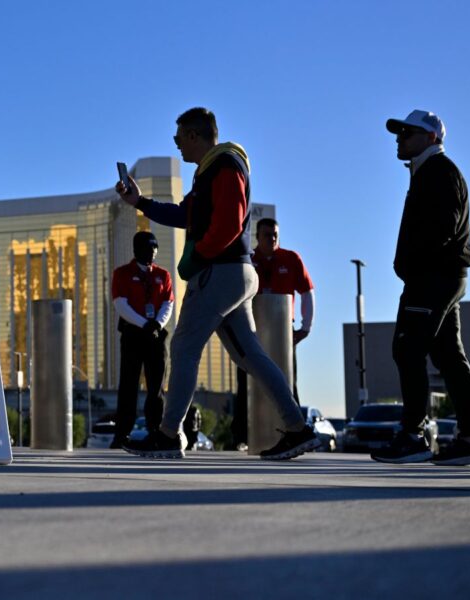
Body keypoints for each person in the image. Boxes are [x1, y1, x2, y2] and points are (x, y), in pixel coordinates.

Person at [115, 107, 318, 460]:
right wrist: (139, 202)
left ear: (195, 136)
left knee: (183, 347)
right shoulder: (209, 173)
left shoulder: (224, 165)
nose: (177, 144)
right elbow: (183, 214)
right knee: (250, 356)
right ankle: (298, 428)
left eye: (179, 137)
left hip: (221, 274)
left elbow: (231, 220)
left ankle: (168, 434)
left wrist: (200, 259)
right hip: (234, 274)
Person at [372, 110, 470, 466]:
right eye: (398, 133)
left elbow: (443, 226)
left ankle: (414, 435)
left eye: (407, 133)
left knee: (407, 347)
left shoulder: (440, 172)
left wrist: (415, 265)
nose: (399, 138)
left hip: (433, 278)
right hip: (440, 276)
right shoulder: (427, 172)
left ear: (431, 137)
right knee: (449, 355)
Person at [232, 218, 315, 449]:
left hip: (282, 330)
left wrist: (306, 327)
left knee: (288, 379)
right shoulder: (247, 259)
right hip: (250, 329)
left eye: (276, 234)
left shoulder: (291, 258)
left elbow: (307, 291)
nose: (273, 238)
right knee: (245, 381)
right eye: (267, 234)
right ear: (258, 236)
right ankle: (241, 436)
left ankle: (295, 431)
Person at [110, 231, 174, 448]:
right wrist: (143, 323)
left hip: (156, 335)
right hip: (133, 334)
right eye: (148, 247)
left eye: (155, 247)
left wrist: (157, 323)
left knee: (157, 386)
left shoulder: (163, 275)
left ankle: (155, 430)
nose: (153, 251)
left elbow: (168, 302)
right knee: (128, 385)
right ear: (136, 249)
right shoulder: (122, 273)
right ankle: (122, 434)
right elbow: (120, 304)